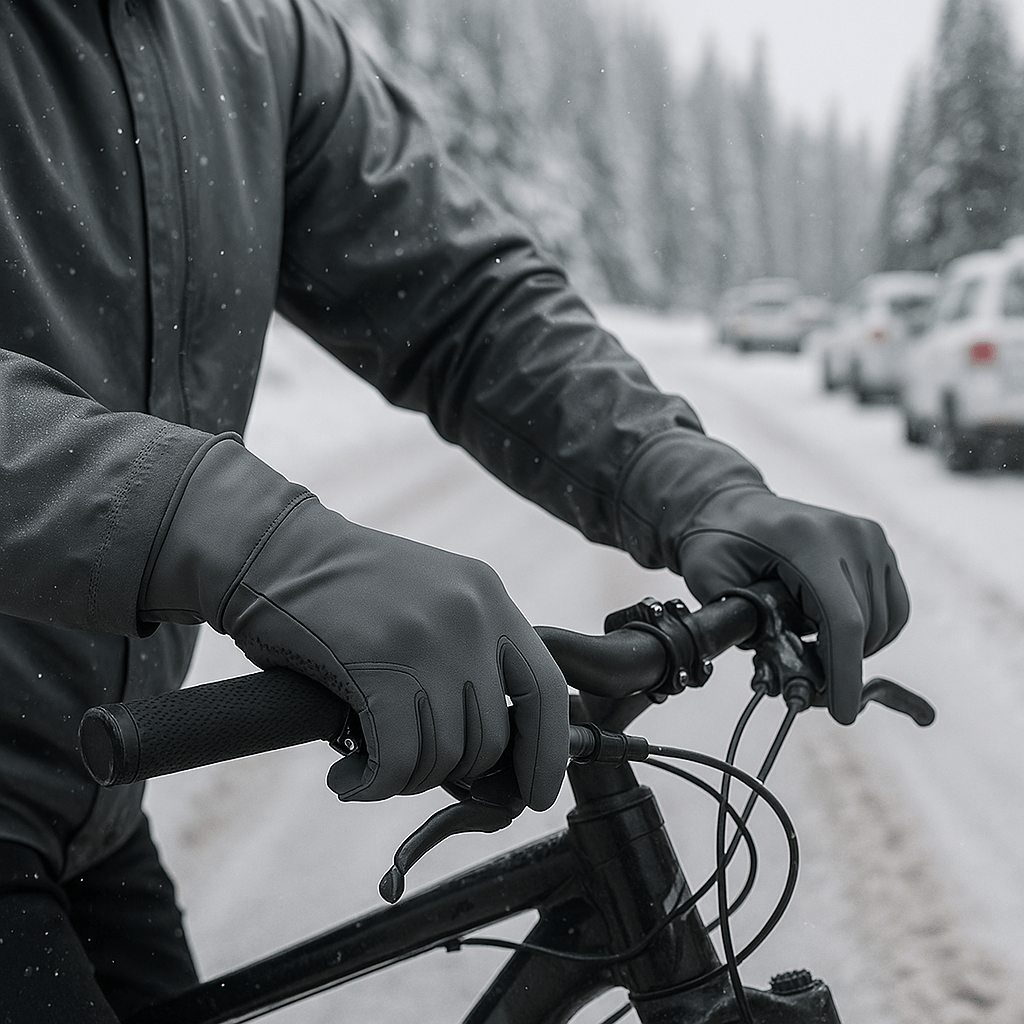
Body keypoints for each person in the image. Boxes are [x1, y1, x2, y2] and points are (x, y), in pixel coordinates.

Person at [0, 1, 909, 1020]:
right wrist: (232, 531)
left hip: (89, 812)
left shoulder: (248, 35)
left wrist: (693, 481)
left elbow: (463, 302)